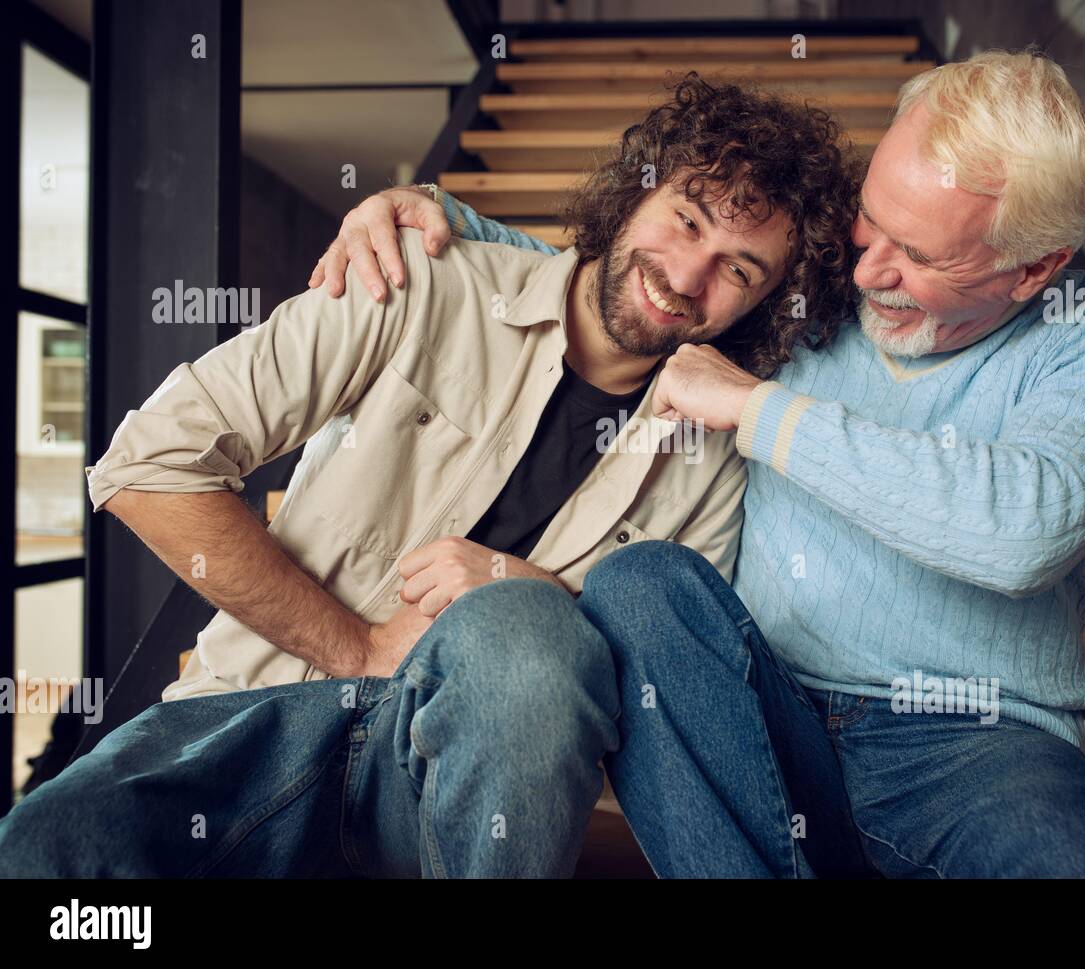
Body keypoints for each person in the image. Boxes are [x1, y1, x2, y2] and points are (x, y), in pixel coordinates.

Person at [316, 50, 1085, 878]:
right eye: (872, 217)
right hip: (757, 712)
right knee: (644, 585)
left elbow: (1022, 532)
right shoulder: (822, 286)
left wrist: (758, 409)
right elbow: (637, 282)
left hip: (975, 744)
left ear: (1036, 268)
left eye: (919, 257)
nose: (870, 267)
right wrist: (436, 214)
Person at [0, 74, 858, 878]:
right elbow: (147, 463)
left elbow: (654, 703)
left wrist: (535, 590)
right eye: (689, 218)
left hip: (449, 791)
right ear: (636, 191)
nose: (688, 274)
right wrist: (359, 648)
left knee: (524, 633)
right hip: (246, 719)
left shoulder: (710, 459)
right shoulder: (420, 282)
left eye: (740, 270)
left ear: (762, 301)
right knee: (45, 845)